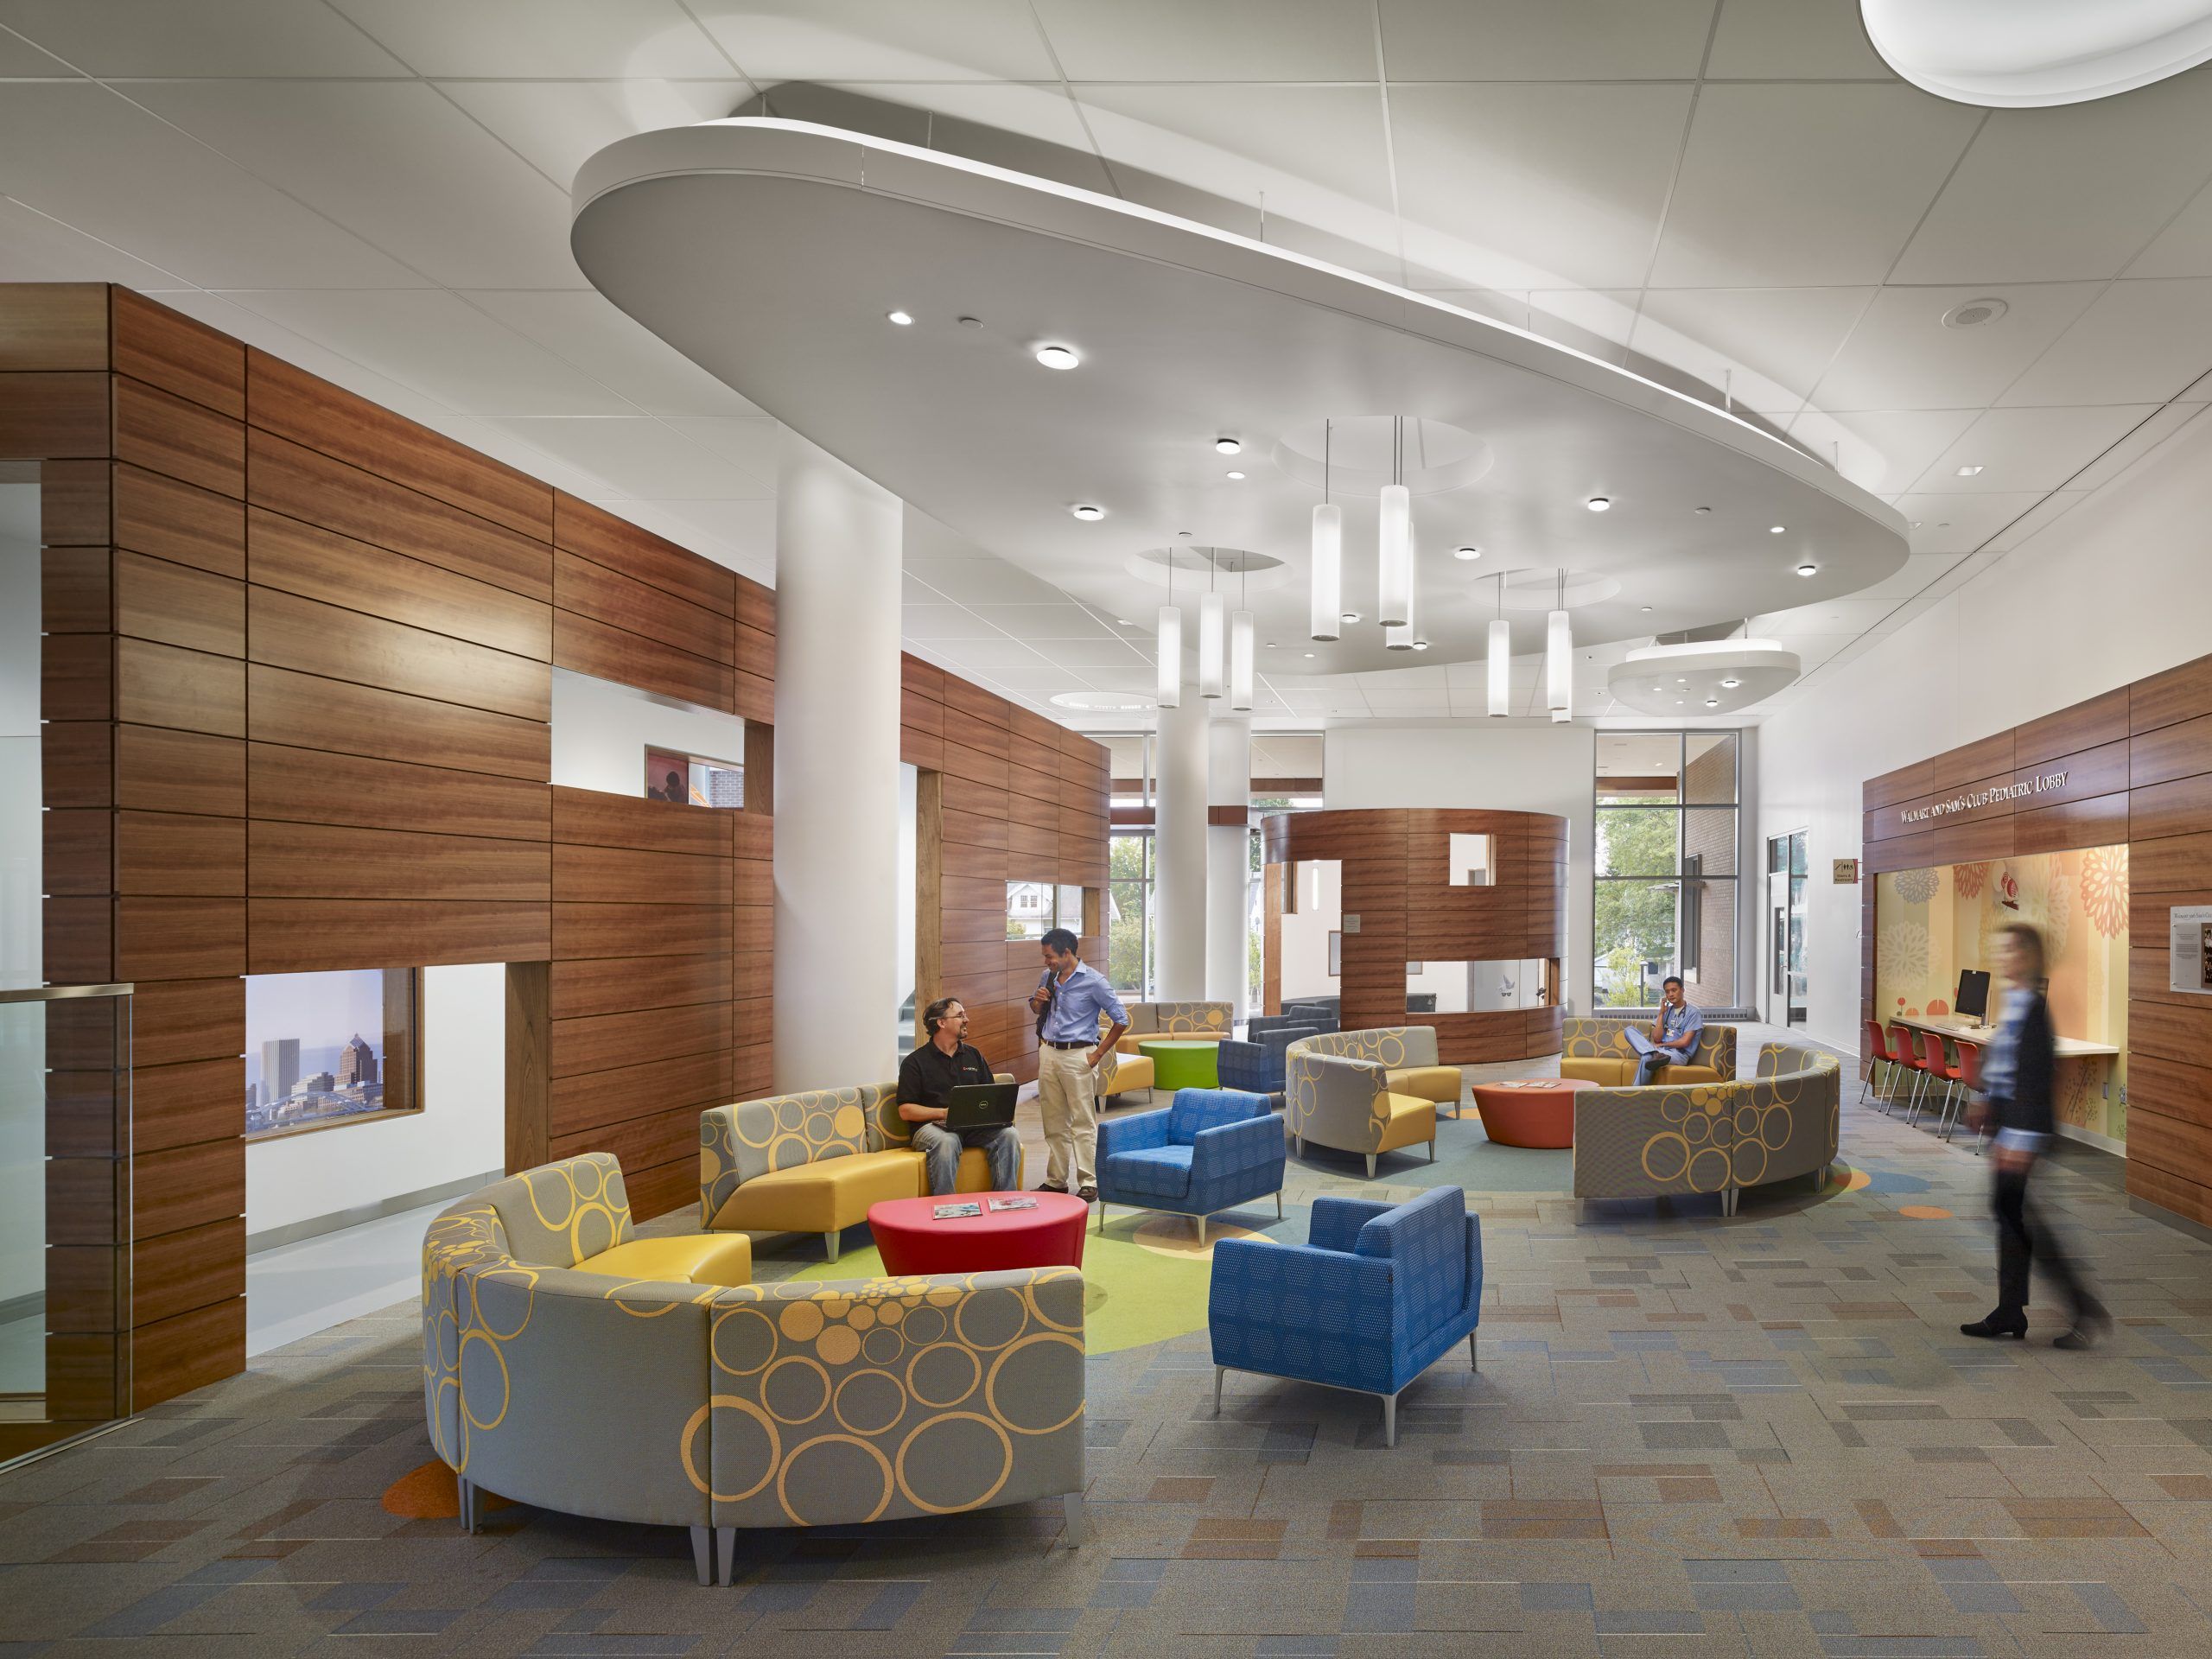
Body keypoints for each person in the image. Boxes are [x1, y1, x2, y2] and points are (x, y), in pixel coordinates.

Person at [1961, 923, 2109, 1348]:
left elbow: (2037, 1077)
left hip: (2022, 1133)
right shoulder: (2016, 1003)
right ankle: (2011, 1309)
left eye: (2009, 949)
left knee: (2024, 1224)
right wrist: (1986, 1100)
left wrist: (2019, 1138)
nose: (2002, 956)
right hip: (2010, 1128)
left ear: (2027, 955)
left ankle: (2081, 1307)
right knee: (2012, 1218)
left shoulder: (2033, 1011)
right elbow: (2007, 1065)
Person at [1027, 926, 1128, 1203]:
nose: (1046, 961)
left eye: (1049, 956)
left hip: (1078, 1055)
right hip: (1048, 1052)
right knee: (1054, 1120)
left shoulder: (1095, 982)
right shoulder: (1048, 977)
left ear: (1067, 953)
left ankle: (1088, 1181)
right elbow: (1037, 1010)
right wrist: (1037, 1001)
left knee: (1082, 1121)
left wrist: (1097, 1055)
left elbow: (1121, 1020)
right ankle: (1056, 1180)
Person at [895, 997, 1020, 1197]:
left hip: (973, 1127)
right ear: (941, 1022)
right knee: (948, 1141)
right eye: (960, 1015)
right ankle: (946, 1207)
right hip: (932, 1127)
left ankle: (1005, 1201)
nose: (966, 1019)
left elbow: (990, 1095)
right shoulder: (915, 1062)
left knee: (1009, 1135)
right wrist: (944, 1113)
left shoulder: (974, 1055)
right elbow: (905, 1110)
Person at [1624, 976, 1703, 1084]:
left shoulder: (1693, 1013)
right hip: (1660, 1052)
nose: (1670, 994)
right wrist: (1661, 1013)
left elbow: (1685, 1042)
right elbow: (1657, 1038)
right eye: (1667, 992)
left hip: (1678, 1054)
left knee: (1647, 1057)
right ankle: (1654, 1054)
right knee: (1629, 1030)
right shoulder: (1666, 1011)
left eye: (1674, 990)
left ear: (1682, 990)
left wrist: (1662, 1046)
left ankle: (1635, 1094)